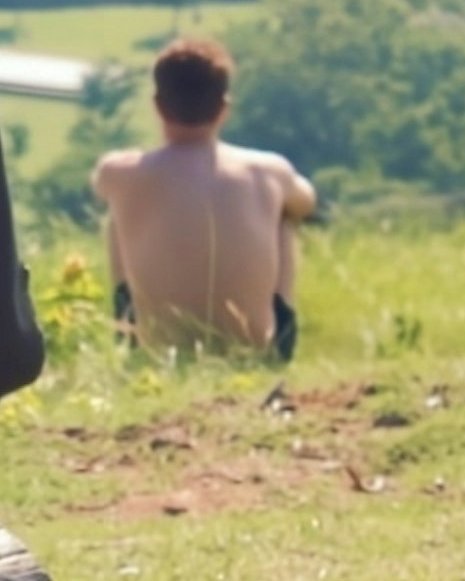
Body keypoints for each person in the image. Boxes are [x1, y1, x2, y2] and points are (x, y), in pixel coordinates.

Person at [92, 36, 315, 359]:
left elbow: (102, 186)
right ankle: (275, 340)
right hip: (252, 349)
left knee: (119, 216)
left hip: (161, 351)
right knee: (283, 216)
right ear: (224, 107)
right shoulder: (268, 170)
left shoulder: (119, 172)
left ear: (157, 104)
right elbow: (306, 202)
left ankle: (130, 333)